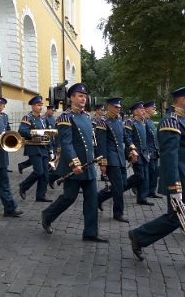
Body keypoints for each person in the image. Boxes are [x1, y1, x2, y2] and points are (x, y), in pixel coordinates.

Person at [128, 85, 185, 274]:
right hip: (181, 181)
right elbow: (170, 158)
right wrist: (174, 186)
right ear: (183, 99)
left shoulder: (182, 121)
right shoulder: (171, 122)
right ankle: (139, 236)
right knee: (175, 219)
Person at [41, 83, 108, 243]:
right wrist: (74, 163)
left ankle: (90, 233)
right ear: (71, 98)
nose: (83, 98)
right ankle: (47, 215)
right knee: (69, 198)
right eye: (79, 95)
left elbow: (93, 142)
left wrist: (101, 161)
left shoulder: (86, 117)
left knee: (92, 200)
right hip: (74, 166)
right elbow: (66, 143)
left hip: (89, 166)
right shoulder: (65, 117)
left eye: (84, 96)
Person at [96, 97, 137, 222]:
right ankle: (118, 213)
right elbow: (101, 145)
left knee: (123, 184)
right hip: (110, 159)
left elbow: (126, 137)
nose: (118, 109)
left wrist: (132, 148)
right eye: (116, 107)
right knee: (119, 187)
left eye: (119, 107)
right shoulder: (103, 122)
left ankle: (99, 198)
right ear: (109, 107)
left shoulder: (119, 120)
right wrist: (102, 163)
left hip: (120, 158)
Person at [18, 96, 52, 202]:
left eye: (41, 105)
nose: (40, 107)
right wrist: (35, 132)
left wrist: (50, 149)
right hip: (33, 147)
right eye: (38, 105)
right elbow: (22, 131)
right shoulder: (27, 117)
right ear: (33, 106)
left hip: (43, 147)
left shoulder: (42, 118)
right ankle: (23, 186)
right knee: (38, 172)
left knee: (45, 174)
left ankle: (40, 195)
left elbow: (47, 134)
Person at [125, 102, 153, 206]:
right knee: (140, 175)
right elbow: (127, 137)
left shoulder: (143, 121)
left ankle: (142, 198)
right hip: (136, 153)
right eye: (141, 110)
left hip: (144, 153)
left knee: (145, 176)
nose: (144, 111)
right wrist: (132, 149)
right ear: (135, 111)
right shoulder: (130, 122)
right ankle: (122, 187)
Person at [144, 101, 162, 199]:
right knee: (149, 172)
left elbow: (155, 136)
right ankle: (144, 190)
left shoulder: (150, 121)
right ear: (146, 109)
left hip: (154, 150)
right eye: (153, 108)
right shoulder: (144, 121)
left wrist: (158, 148)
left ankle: (152, 191)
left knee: (154, 172)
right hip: (149, 151)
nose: (154, 110)